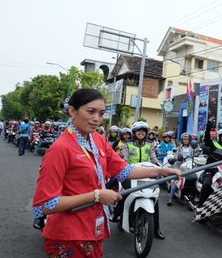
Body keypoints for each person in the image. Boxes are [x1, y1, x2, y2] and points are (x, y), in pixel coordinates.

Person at [32, 89, 181, 256]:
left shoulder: (97, 139)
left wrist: (161, 170)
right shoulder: (60, 149)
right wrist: (96, 196)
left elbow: (124, 170)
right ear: (72, 111)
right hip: (68, 236)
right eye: (91, 111)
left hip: (94, 231)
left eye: (101, 113)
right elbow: (45, 206)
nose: (97, 118)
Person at [197, 117, 222, 208]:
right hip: (210, 171)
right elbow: (206, 139)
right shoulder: (214, 144)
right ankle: (200, 207)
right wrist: (209, 124)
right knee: (206, 186)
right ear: (220, 137)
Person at [167, 133, 194, 206]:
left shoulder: (192, 149)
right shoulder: (179, 148)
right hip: (179, 167)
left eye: (187, 139)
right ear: (182, 140)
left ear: (189, 140)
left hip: (188, 167)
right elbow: (175, 156)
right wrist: (177, 158)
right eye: (184, 139)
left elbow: (193, 157)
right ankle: (170, 199)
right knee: (174, 182)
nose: (185, 141)